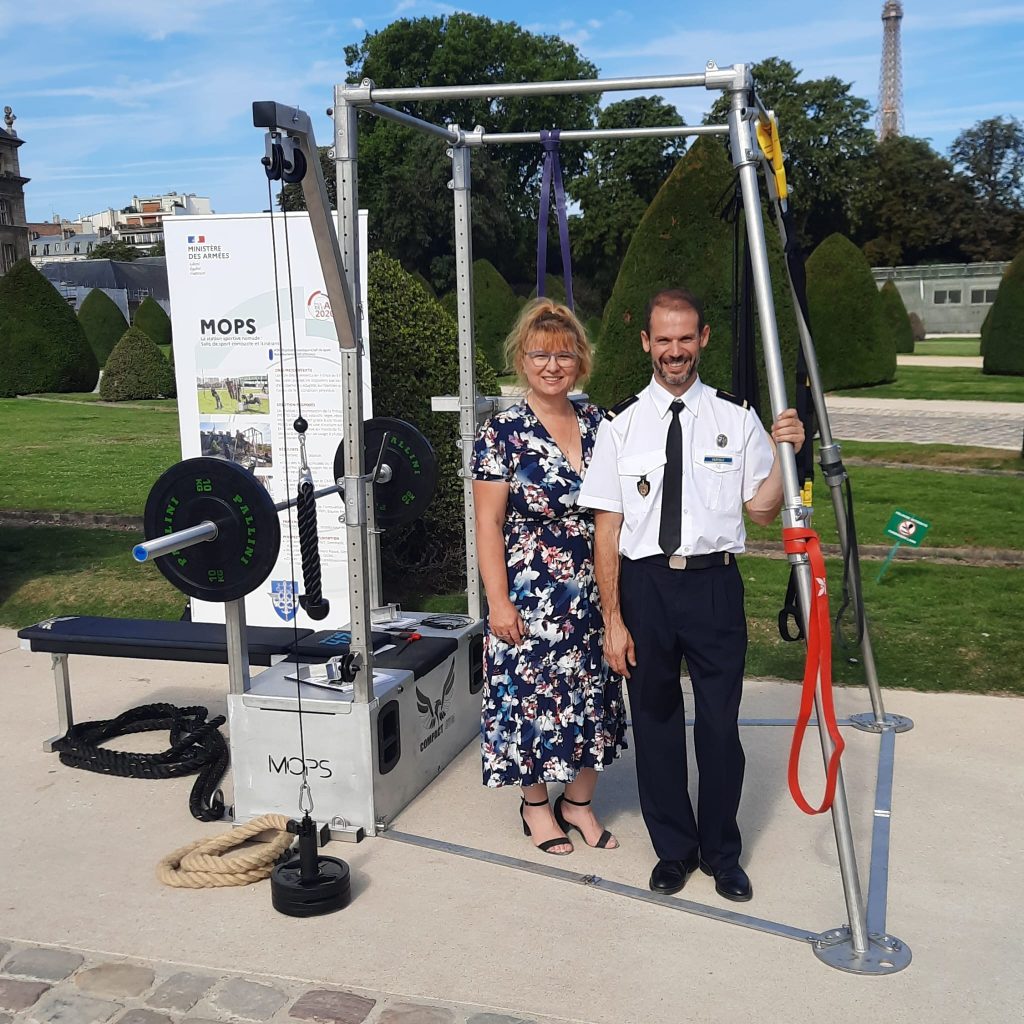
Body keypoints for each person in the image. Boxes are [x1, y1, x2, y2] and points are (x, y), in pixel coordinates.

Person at [577, 287, 804, 900]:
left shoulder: (737, 417)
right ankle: (673, 851)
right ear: (646, 343)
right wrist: (614, 620)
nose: (674, 351)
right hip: (646, 587)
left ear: (703, 339)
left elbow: (760, 511)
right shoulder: (620, 426)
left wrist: (787, 457)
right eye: (663, 340)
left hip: (713, 586)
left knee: (720, 731)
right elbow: (608, 531)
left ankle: (722, 854)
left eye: (686, 338)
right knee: (654, 725)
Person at [471, 298, 627, 856]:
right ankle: (536, 806)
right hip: (529, 593)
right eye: (540, 354)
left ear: (581, 360)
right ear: (521, 359)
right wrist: (498, 602)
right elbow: (487, 524)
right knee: (529, 702)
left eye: (564, 355)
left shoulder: (601, 423)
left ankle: (578, 802)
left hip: (592, 587)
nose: (552, 365)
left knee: (592, 694)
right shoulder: (502, 433)